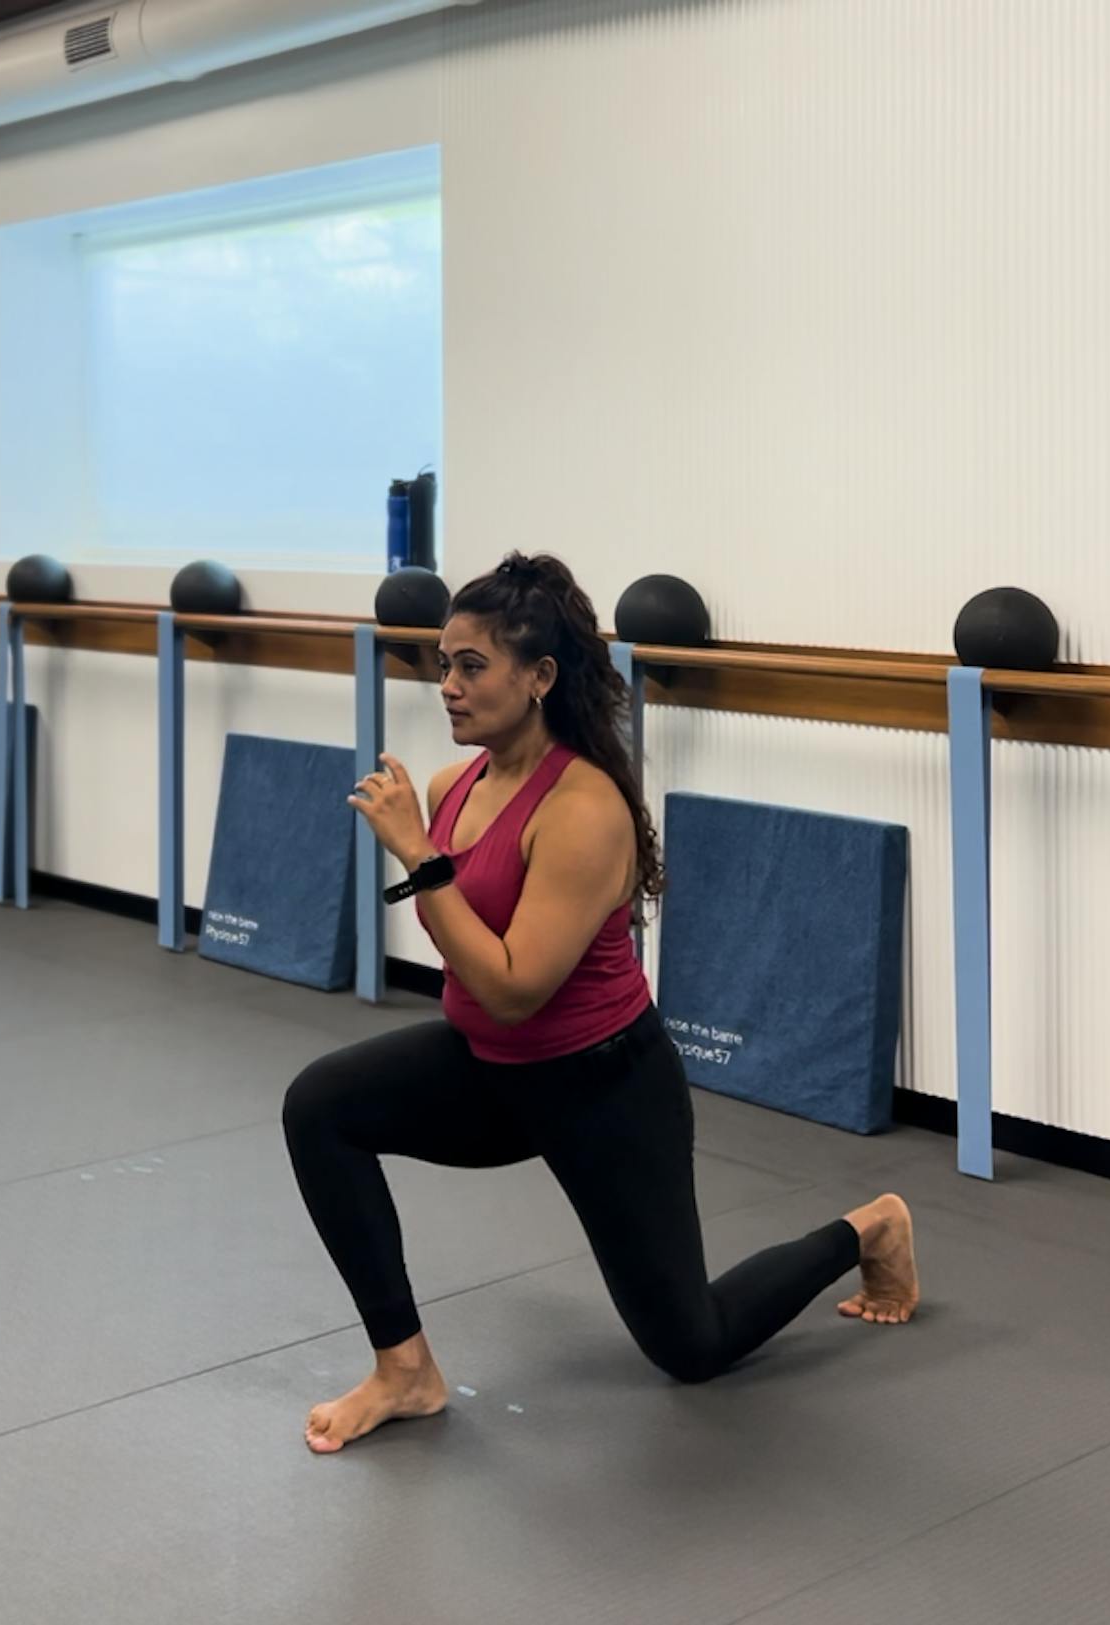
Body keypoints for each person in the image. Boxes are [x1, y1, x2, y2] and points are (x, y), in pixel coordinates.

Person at [282, 552, 920, 1455]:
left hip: (601, 1090)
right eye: (443, 664)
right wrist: (427, 848)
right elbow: (483, 996)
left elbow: (513, 987)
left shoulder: (584, 810)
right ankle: (405, 1370)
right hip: (489, 1073)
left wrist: (420, 861)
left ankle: (868, 1227)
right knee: (320, 1105)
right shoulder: (450, 787)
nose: (450, 688)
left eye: (473, 666)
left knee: (690, 1345)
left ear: (539, 676)